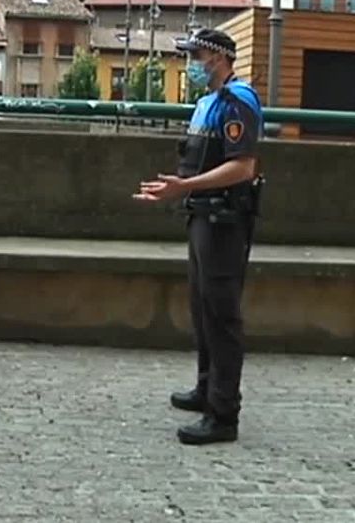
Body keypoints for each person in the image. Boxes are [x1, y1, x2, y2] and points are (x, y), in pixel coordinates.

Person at [133, 28, 265, 446]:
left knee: (222, 315)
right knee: (202, 307)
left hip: (224, 220)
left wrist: (183, 188)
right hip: (202, 216)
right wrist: (177, 190)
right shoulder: (206, 103)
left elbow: (243, 167)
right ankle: (207, 388)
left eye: (198, 55)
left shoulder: (237, 101)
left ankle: (223, 413)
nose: (192, 63)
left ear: (219, 58)